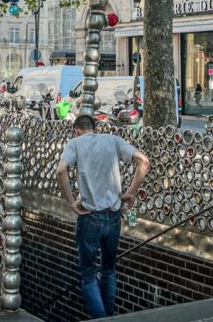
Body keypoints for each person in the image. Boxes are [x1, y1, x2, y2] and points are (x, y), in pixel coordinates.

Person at [56, 116, 150, 319]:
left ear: (76, 130)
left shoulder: (74, 144)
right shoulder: (113, 140)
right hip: (114, 215)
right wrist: (131, 192)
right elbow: (144, 161)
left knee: (89, 275)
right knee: (109, 270)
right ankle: (111, 316)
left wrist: (72, 202)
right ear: (94, 128)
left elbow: (61, 170)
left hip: (90, 216)